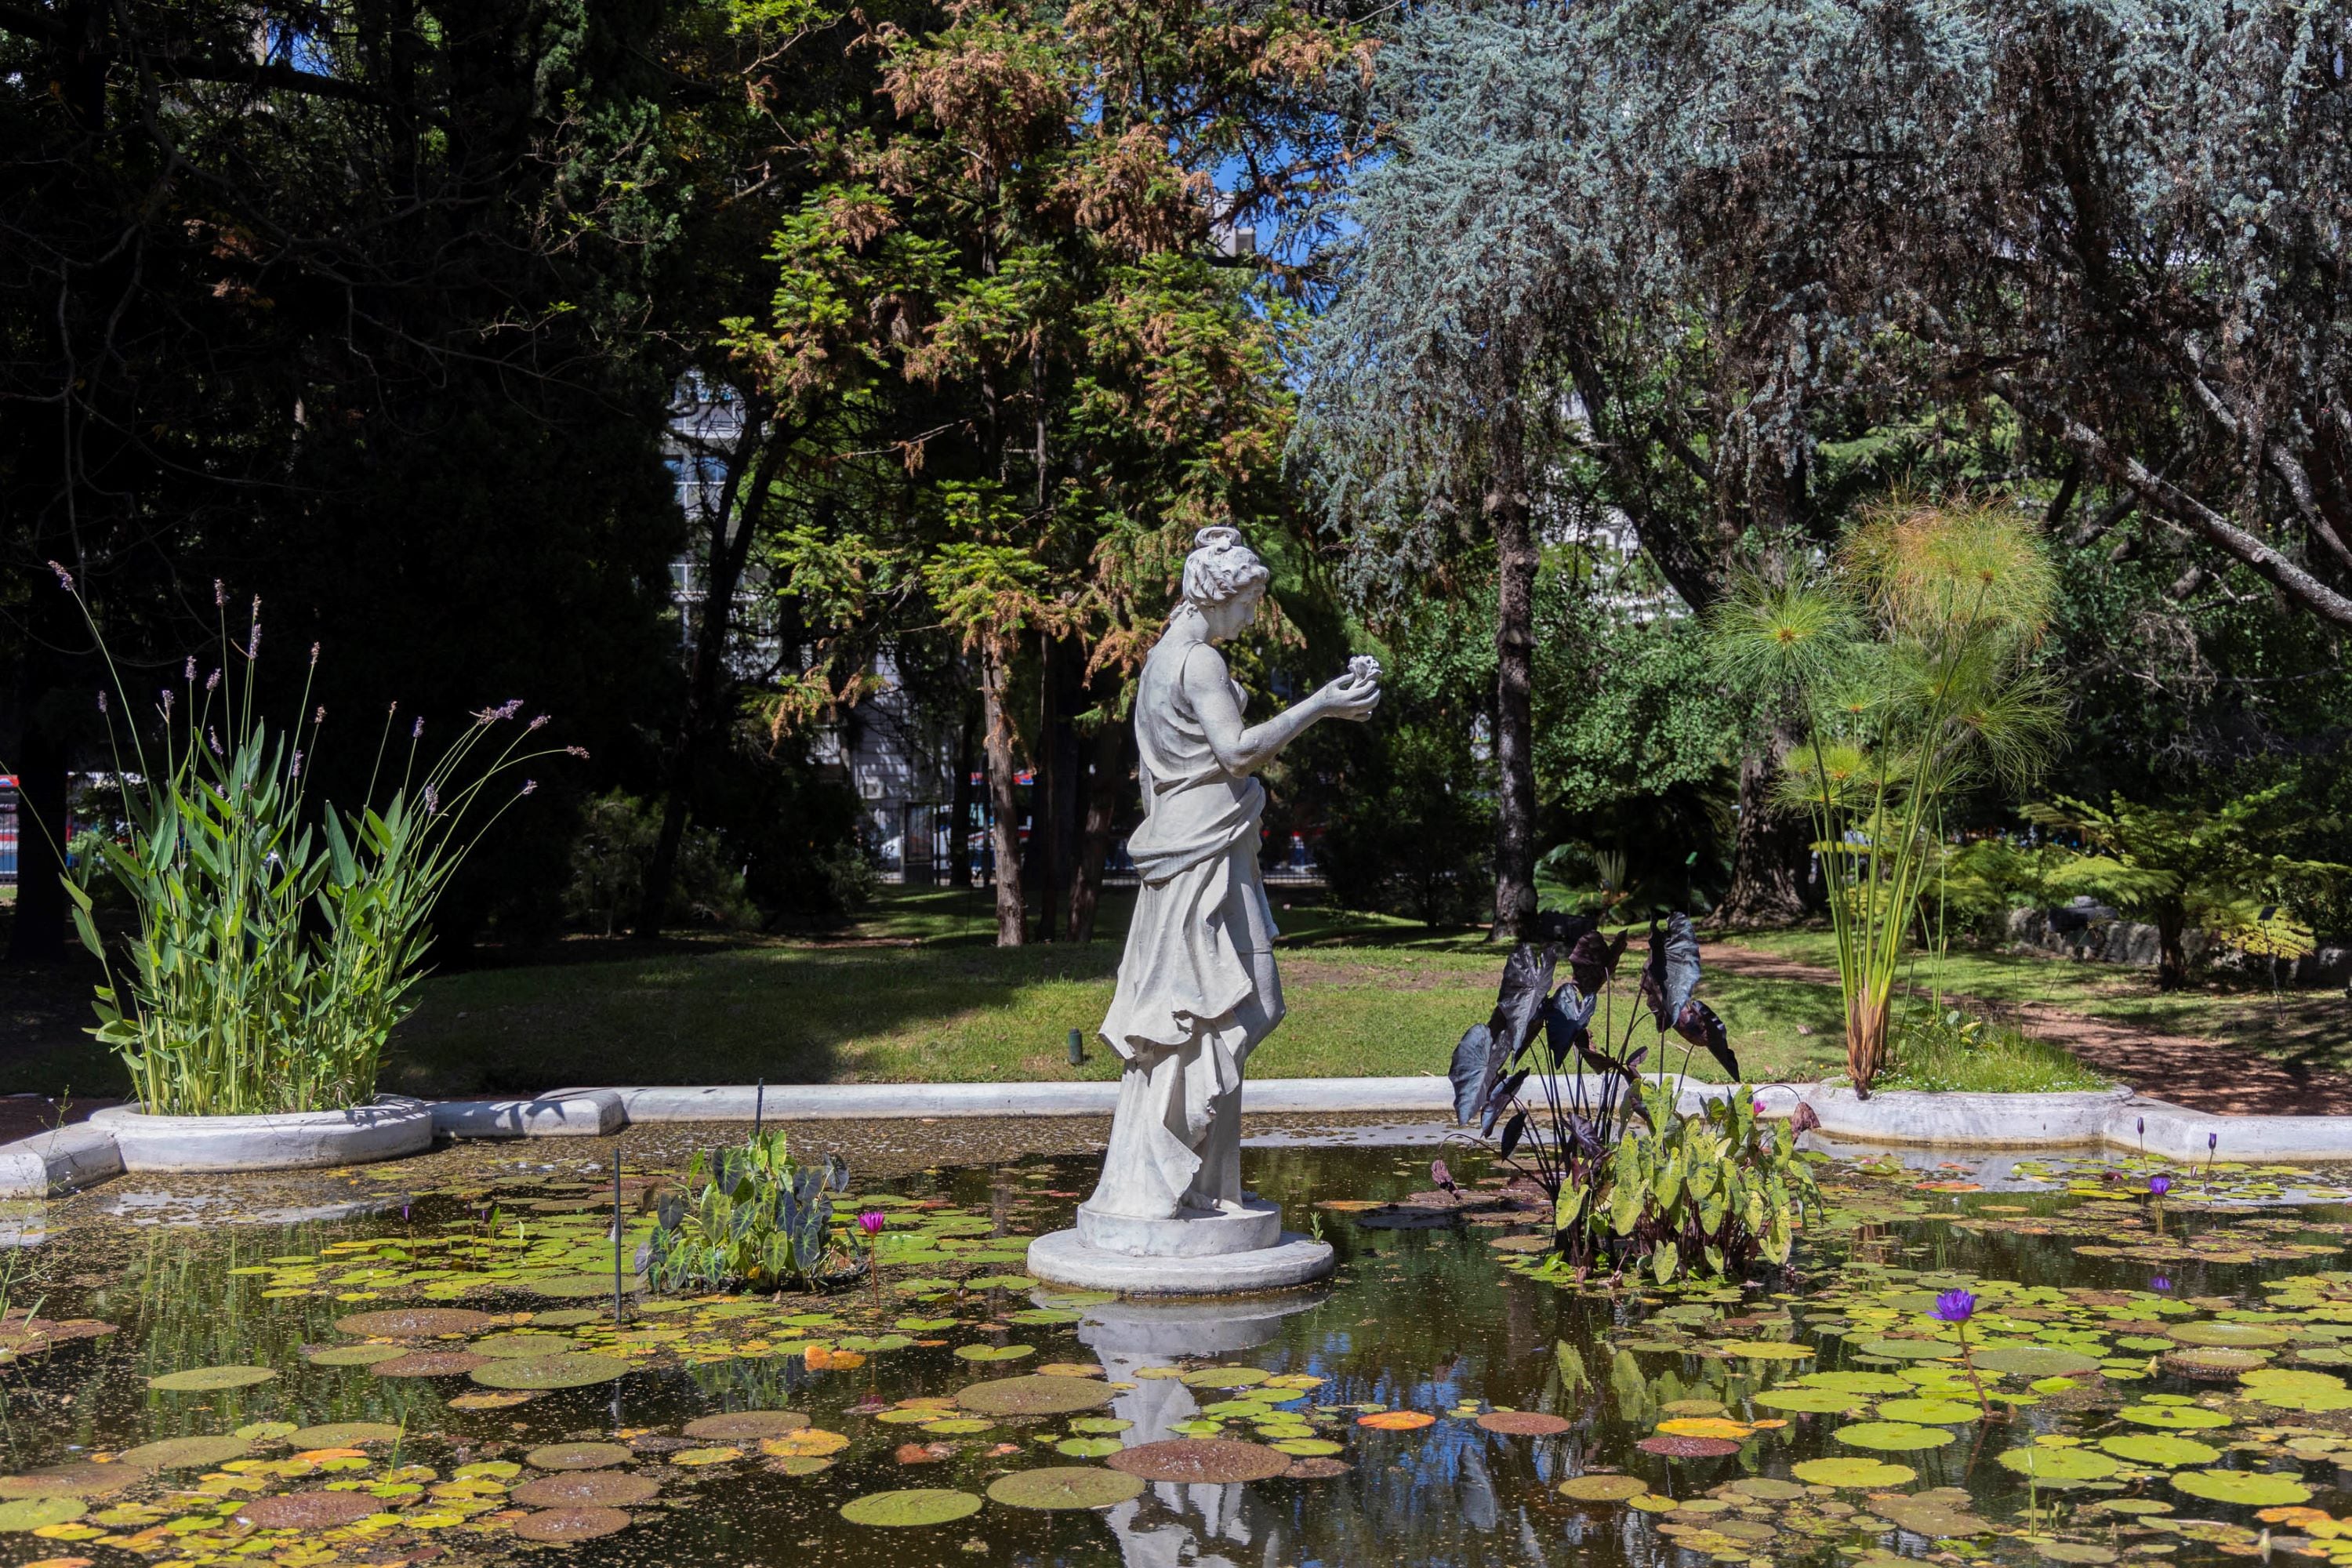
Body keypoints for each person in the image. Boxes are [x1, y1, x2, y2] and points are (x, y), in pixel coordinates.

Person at [1088, 527, 1380, 1222]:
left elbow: (1166, 773)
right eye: (1249, 600)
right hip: (1203, 853)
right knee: (1226, 1009)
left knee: (1223, 1013)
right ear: (1220, 594)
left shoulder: (1166, 657)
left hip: (1205, 844)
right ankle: (1185, 1175)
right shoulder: (1197, 664)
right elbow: (1238, 751)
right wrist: (1322, 706)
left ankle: (1212, 1182)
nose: (1253, 613)